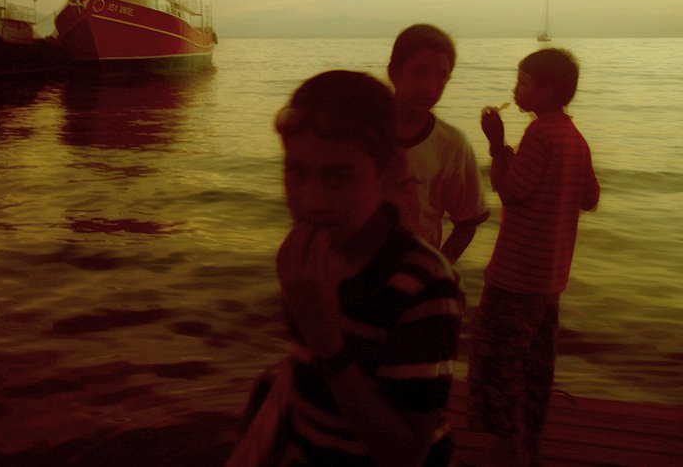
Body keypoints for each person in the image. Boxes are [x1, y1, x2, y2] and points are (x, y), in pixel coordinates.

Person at [229, 70, 464, 466]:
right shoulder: (313, 258)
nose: (311, 201)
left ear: (387, 173)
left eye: (340, 177)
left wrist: (325, 338)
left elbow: (406, 452)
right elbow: (308, 375)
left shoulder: (425, 286)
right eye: (296, 172)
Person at [468, 48, 600, 466]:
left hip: (515, 276)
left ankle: (504, 453)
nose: (516, 88)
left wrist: (496, 145)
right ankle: (531, 446)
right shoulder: (573, 137)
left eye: (524, 81)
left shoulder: (540, 134)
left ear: (547, 90)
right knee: (535, 366)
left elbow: (513, 191)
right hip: (550, 277)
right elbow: (590, 198)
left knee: (496, 364)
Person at [387, 24, 489, 263]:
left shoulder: (452, 145)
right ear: (395, 72)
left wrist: (435, 270)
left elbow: (466, 223)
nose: (430, 87)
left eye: (441, 76)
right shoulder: (362, 132)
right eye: (420, 72)